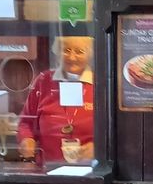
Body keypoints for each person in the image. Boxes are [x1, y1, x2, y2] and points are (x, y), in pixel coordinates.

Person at [16, 34, 94, 165]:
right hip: (47, 168)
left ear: (89, 54)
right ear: (57, 53)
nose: (72, 57)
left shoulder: (100, 83)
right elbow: (26, 122)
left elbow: (114, 131)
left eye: (80, 51)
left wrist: (100, 148)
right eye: (66, 50)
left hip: (89, 168)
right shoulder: (43, 81)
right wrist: (26, 139)